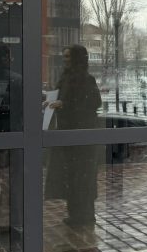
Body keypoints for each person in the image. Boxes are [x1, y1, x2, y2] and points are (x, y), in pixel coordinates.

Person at [44, 44, 103, 227]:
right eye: (64, 57)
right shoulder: (66, 78)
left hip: (82, 138)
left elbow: (94, 103)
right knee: (72, 176)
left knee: (82, 177)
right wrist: (52, 101)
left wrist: (64, 104)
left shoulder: (86, 79)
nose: (65, 60)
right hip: (68, 135)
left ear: (77, 58)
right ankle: (75, 214)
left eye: (68, 57)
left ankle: (84, 216)